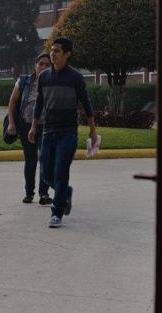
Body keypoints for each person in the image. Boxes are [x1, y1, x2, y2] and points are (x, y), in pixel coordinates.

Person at [29, 37, 97, 228]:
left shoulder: (75, 77)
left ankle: (57, 213)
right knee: (46, 175)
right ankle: (65, 192)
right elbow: (39, 104)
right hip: (48, 131)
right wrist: (34, 126)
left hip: (68, 133)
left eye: (57, 51)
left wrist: (92, 130)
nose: (53, 54)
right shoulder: (44, 77)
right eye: (52, 50)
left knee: (60, 172)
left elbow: (86, 103)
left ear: (67, 54)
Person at [5, 52, 53, 205]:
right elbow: (12, 103)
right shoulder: (24, 81)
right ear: (35, 65)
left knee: (44, 159)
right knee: (30, 160)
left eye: (47, 65)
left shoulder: (53, 82)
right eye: (41, 64)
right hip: (25, 125)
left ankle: (43, 194)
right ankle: (29, 193)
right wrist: (12, 124)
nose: (44, 67)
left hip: (46, 126)